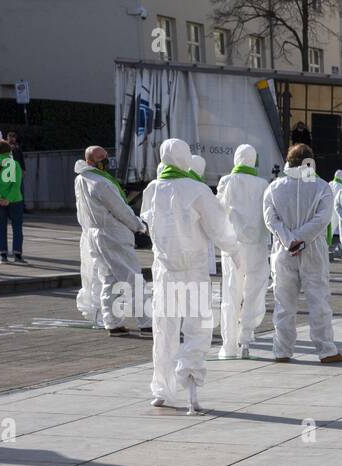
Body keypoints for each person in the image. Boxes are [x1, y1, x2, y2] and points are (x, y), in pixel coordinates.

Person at [143, 138, 241, 413]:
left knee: (165, 330)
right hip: (194, 269)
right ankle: (191, 386)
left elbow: (151, 227)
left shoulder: (153, 189)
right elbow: (218, 227)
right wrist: (233, 250)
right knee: (196, 328)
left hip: (165, 271)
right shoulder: (196, 189)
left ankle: (161, 388)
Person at [263, 144, 342, 364]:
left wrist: (289, 240)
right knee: (318, 300)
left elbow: (270, 220)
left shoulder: (274, 188)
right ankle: (326, 350)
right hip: (313, 250)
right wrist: (300, 239)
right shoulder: (321, 187)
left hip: (283, 251)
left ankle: (282, 350)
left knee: (284, 303)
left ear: (288, 162)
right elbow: (322, 220)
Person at [74, 145, 146, 332]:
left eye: (106, 156)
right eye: (102, 157)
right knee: (133, 278)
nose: (106, 160)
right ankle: (147, 321)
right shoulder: (101, 183)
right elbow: (120, 209)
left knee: (110, 279)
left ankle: (112, 321)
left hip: (95, 235)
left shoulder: (81, 179)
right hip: (113, 234)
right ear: (91, 160)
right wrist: (138, 226)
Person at [215, 144, 270, 360]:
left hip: (233, 246)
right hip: (256, 244)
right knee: (255, 290)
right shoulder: (263, 184)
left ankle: (228, 346)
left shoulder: (226, 181)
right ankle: (246, 337)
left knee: (231, 292)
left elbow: (219, 212)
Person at [0, 140, 25, 264]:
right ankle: (17, 254)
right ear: (9, 150)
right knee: (17, 227)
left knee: (0, 226)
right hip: (15, 200)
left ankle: (3, 255)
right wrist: (9, 198)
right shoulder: (15, 164)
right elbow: (17, 184)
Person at [328, 169, 342, 257]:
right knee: (334, 228)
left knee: (327, 228)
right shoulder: (340, 186)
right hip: (335, 211)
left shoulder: (330, 183)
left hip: (327, 208)